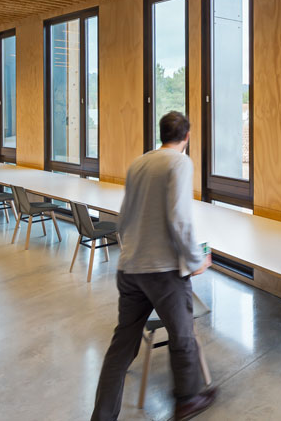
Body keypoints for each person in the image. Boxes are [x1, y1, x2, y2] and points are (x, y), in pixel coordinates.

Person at [91, 111, 216, 421]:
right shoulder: (180, 163)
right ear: (187, 137)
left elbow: (125, 215)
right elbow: (180, 218)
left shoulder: (139, 163)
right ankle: (187, 399)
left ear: (162, 135)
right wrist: (195, 261)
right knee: (183, 335)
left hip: (130, 266)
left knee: (122, 347)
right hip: (163, 271)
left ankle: (103, 415)